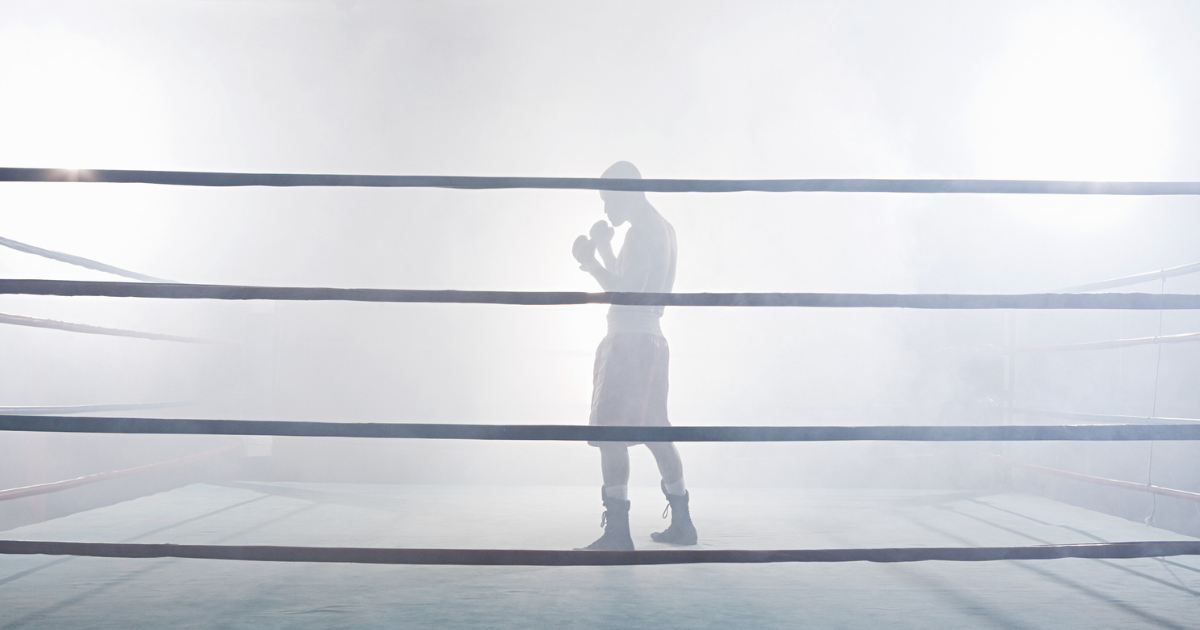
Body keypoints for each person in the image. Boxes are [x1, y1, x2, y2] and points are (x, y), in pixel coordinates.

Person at [571, 161, 697, 551]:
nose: (606, 211)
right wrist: (606, 249)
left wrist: (592, 265)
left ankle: (617, 534)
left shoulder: (644, 233)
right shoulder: (660, 228)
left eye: (609, 201)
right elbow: (634, 281)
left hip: (629, 341)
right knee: (656, 430)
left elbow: (627, 293)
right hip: (651, 339)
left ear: (628, 192)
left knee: (611, 433)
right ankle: (683, 523)